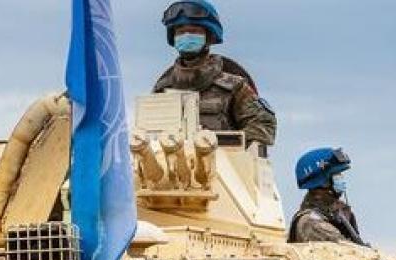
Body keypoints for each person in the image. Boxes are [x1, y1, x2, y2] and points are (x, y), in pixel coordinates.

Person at [151, 1, 276, 154]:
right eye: (180, 32)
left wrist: (230, 148)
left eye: (194, 31)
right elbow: (150, 134)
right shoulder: (162, 89)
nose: (186, 36)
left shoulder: (234, 87)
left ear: (209, 36)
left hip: (223, 164)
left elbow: (262, 126)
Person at [289, 147, 368, 245]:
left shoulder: (335, 214)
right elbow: (347, 249)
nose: (342, 179)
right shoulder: (310, 222)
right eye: (337, 175)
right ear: (324, 182)